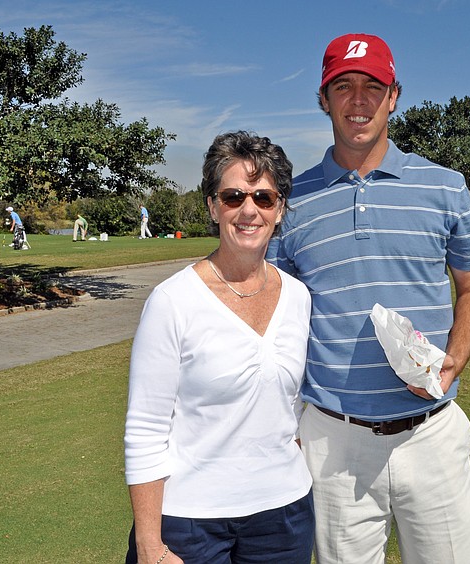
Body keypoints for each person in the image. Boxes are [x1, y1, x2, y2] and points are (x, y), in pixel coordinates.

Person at [267, 33, 470, 564]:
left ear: (394, 96)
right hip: (333, 440)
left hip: (432, 434)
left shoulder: (445, 187)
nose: (358, 100)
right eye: (342, 86)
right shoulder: (290, 201)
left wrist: (455, 358)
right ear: (323, 99)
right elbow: (274, 315)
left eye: (373, 86)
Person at [124, 131, 314, 564]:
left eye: (264, 197)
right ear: (213, 206)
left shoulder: (298, 297)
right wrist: (150, 545)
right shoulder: (172, 301)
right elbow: (145, 429)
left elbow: (291, 407)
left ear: (279, 209)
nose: (249, 210)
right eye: (233, 196)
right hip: (191, 523)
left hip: (285, 516)